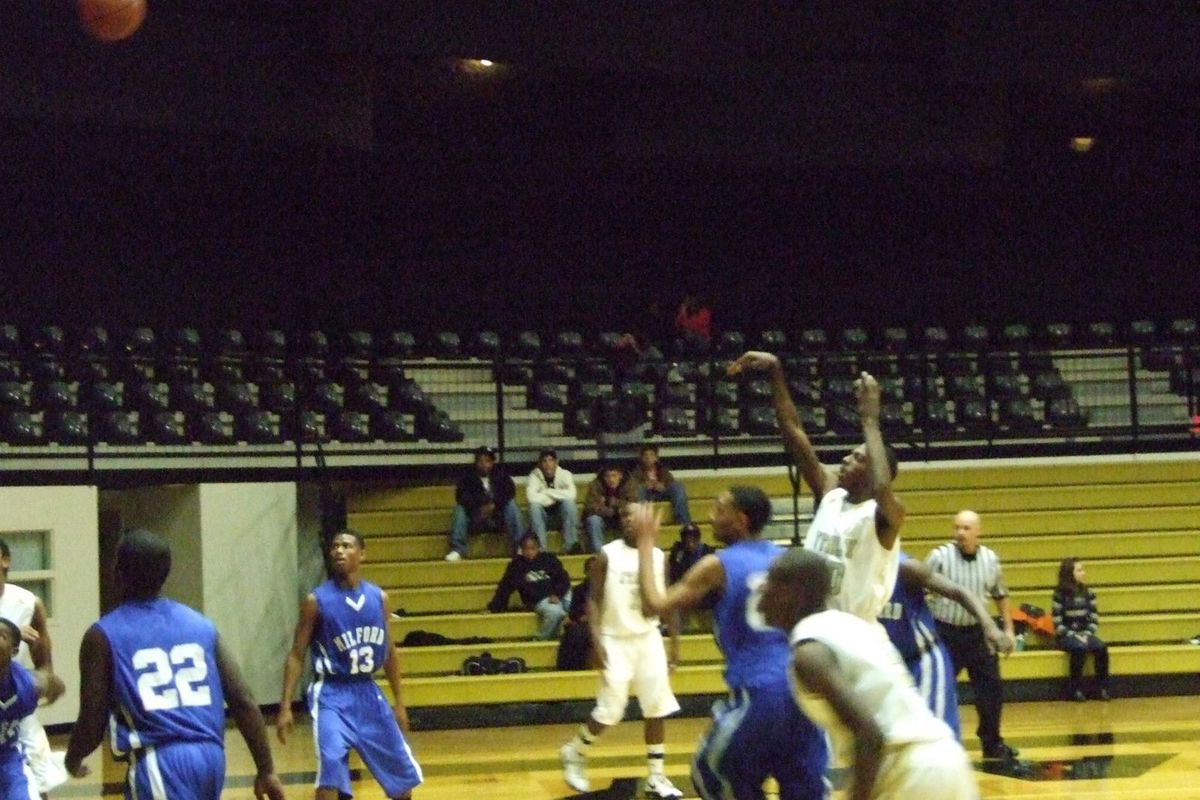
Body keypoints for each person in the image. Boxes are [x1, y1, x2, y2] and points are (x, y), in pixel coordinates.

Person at [631, 492, 828, 800]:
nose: (710, 516)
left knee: (711, 773)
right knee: (803, 787)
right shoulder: (785, 559)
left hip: (760, 690)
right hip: (805, 686)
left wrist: (645, 544)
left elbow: (653, 605)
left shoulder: (717, 564)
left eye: (719, 509)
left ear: (741, 520)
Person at [65, 529, 285, 800]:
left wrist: (72, 758)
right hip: (211, 757)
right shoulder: (200, 624)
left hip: (161, 759)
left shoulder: (103, 634)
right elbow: (243, 699)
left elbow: (92, 719)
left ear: (118, 573)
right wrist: (266, 769)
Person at [760, 548, 976, 800]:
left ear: (794, 593)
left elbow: (869, 733)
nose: (762, 588)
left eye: (772, 580)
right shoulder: (854, 625)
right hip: (947, 761)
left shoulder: (810, 653)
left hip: (907, 773)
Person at [729, 352, 904, 622]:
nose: (845, 459)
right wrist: (776, 371)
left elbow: (882, 487)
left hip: (855, 630)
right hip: (815, 622)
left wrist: (870, 420)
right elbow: (793, 431)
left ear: (874, 472)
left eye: (858, 458)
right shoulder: (832, 493)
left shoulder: (885, 515)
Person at [278, 530, 422, 800]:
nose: (339, 551)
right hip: (331, 693)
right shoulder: (316, 601)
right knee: (330, 776)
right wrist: (285, 705)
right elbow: (296, 654)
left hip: (367, 691)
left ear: (362, 554)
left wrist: (400, 702)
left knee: (403, 784)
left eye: (346, 546)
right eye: (335, 546)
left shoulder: (379, 599)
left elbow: (389, 652)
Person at [559, 514, 684, 799]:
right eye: (626, 516)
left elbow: (666, 600)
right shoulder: (607, 555)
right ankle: (575, 751)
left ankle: (656, 775)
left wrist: (674, 644)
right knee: (611, 710)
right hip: (615, 639)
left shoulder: (657, 555)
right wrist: (596, 639)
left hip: (649, 638)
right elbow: (593, 599)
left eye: (636, 516)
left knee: (657, 707)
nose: (631, 521)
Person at [878, 554, 1012, 738]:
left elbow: (959, 592)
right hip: (886, 666)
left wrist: (989, 626)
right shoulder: (855, 575)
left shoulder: (906, 568)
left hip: (922, 661)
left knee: (937, 741)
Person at [926, 510, 1019, 761]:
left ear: (979, 531)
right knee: (939, 689)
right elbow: (920, 592)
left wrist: (1008, 630)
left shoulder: (990, 559)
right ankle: (934, 744)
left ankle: (992, 743)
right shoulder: (939, 557)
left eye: (966, 528)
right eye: (957, 527)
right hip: (945, 632)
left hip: (978, 634)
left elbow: (1000, 595)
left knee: (991, 689)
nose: (960, 533)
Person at [0, 538, 63, 799]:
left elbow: (46, 668)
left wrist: (41, 685)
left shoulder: (28, 603)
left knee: (37, 783)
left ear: (5, 559)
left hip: (14, 708)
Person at [0, 617, 64, 800]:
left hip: (8, 760)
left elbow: (54, 684)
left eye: (1, 636)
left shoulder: (28, 684)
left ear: (14, 651)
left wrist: (52, 690)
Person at [486, 533, 573, 641]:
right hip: (539, 599)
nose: (529, 552)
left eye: (533, 549)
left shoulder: (549, 559)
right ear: (521, 550)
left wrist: (557, 594)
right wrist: (494, 607)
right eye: (526, 549)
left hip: (559, 594)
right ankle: (540, 639)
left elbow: (564, 579)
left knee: (576, 606)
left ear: (538, 548)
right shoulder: (516, 565)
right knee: (556, 613)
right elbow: (505, 587)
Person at [445, 445, 523, 561]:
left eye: (487, 461)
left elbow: (510, 491)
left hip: (498, 518)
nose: (484, 464)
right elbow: (461, 496)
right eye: (480, 461)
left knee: (511, 505)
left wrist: (494, 505)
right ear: (476, 462)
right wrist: (478, 508)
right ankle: (457, 549)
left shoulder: (501, 475)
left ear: (492, 462)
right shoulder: (467, 477)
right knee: (460, 510)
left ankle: (519, 546)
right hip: (476, 518)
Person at [1052, 558, 1110, 702]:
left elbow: (1094, 618)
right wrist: (1074, 635)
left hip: (1085, 633)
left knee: (1101, 648)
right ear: (1069, 574)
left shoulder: (1089, 593)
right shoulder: (1059, 595)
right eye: (1079, 570)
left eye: (1083, 570)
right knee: (1079, 648)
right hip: (1066, 635)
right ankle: (1075, 689)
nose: (1083, 573)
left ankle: (1101, 688)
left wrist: (1087, 633)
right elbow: (1057, 623)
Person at [526, 449, 581, 554]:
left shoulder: (565, 474)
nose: (548, 464)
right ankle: (541, 550)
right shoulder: (533, 476)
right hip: (543, 519)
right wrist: (557, 496)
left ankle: (570, 547)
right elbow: (531, 497)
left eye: (550, 460)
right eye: (544, 461)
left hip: (562, 518)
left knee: (569, 504)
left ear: (556, 462)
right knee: (534, 507)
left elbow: (571, 495)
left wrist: (547, 492)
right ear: (540, 464)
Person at [630, 444, 692, 525]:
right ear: (642, 459)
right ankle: (642, 522)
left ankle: (684, 523)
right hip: (646, 496)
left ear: (656, 458)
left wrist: (663, 486)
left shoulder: (663, 470)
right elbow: (631, 487)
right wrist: (645, 485)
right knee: (639, 489)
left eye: (651, 455)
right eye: (645, 455)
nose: (648, 458)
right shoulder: (636, 472)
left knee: (678, 486)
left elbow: (671, 483)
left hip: (662, 493)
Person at [583, 464, 636, 553]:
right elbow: (589, 507)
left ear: (620, 476)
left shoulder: (629, 484)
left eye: (614, 476)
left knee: (632, 519)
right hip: (602, 518)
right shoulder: (595, 485)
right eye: (607, 476)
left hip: (621, 517)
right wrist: (607, 510)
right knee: (593, 520)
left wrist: (616, 503)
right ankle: (600, 553)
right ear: (603, 477)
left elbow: (633, 504)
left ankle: (630, 550)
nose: (611, 479)